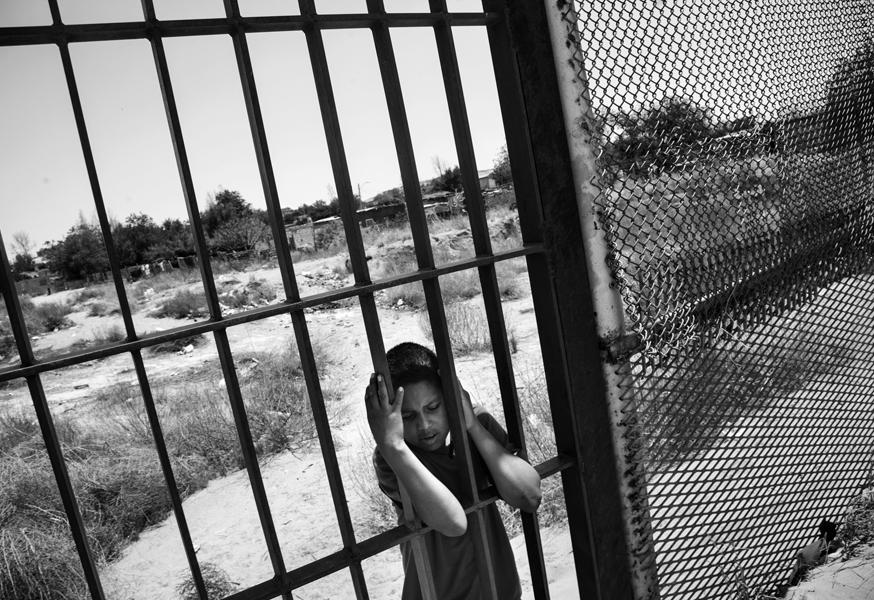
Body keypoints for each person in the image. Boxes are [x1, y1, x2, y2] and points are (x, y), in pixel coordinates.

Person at [365, 342, 542, 600]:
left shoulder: (477, 426)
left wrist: (471, 424)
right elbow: (453, 523)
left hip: (499, 591)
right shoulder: (392, 457)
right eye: (408, 416)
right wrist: (393, 445)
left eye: (433, 407)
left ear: (450, 397)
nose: (425, 426)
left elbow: (529, 496)